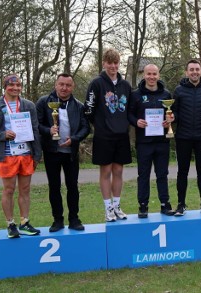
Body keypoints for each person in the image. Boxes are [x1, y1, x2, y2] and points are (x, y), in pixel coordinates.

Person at [0, 74, 42, 238]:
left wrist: (37, 153)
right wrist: (2, 134)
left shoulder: (28, 105)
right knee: (9, 189)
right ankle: (10, 224)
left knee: (25, 189)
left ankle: (25, 222)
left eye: (18, 85)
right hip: (6, 154)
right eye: (11, 85)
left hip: (26, 153)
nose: (15, 88)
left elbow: (35, 129)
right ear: (5, 87)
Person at [36, 73, 90, 232]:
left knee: (72, 186)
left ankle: (74, 219)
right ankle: (57, 220)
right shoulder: (43, 102)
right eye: (61, 84)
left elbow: (86, 128)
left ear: (72, 87)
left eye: (68, 85)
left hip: (71, 153)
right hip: (52, 151)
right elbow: (36, 124)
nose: (64, 88)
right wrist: (48, 130)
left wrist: (74, 139)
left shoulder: (79, 106)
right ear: (55, 85)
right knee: (54, 187)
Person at [84, 48, 132, 222]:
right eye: (109, 63)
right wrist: (99, 125)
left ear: (119, 64)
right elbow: (88, 109)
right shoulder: (96, 83)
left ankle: (117, 206)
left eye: (115, 63)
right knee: (106, 171)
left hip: (121, 135)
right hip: (103, 135)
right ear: (104, 63)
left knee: (118, 171)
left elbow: (130, 109)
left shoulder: (125, 85)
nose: (113, 66)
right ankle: (108, 208)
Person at [128, 64, 176, 218]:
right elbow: (129, 115)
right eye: (149, 74)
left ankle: (165, 204)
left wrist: (169, 120)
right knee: (143, 175)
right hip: (144, 142)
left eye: (154, 74)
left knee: (162, 174)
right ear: (144, 75)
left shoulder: (166, 94)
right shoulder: (135, 95)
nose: (151, 77)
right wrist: (136, 122)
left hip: (162, 141)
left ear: (158, 75)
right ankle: (143, 206)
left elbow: (171, 115)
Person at [172, 59, 201, 216]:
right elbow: (175, 113)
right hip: (183, 137)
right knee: (182, 172)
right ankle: (181, 204)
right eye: (191, 69)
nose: (194, 72)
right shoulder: (179, 90)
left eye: (197, 69)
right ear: (186, 72)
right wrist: (172, 118)